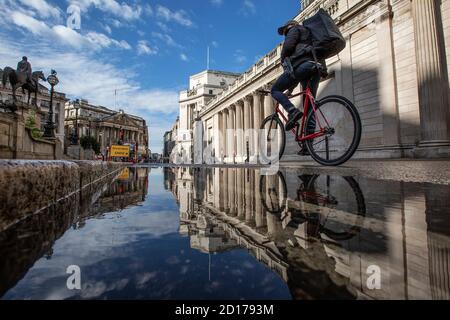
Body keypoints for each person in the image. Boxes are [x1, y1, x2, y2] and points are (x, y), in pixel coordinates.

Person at [271, 20, 327, 132]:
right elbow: (296, 77)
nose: (285, 34)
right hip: (315, 68)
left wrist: (283, 59)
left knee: (275, 90)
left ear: (289, 26)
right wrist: (290, 90)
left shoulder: (294, 29)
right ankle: (308, 144)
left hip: (303, 65)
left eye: (285, 31)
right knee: (309, 108)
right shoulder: (310, 34)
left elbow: (288, 47)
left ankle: (292, 111)